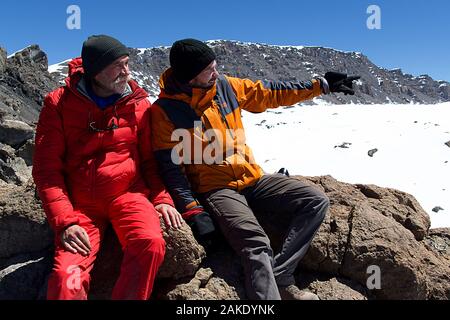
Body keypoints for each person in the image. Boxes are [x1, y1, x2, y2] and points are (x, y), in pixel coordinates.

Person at [151, 38, 360, 300]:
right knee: (256, 245)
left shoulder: (225, 86)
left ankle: (282, 276)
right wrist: (192, 209)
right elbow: (170, 167)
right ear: (190, 76)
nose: (215, 72)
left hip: (252, 178)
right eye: (208, 70)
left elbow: (269, 93)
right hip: (217, 189)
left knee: (315, 201)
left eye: (215, 66)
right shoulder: (166, 111)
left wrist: (321, 86)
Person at [32, 35, 182, 300]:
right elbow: (47, 171)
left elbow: (149, 161)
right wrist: (65, 222)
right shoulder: (59, 104)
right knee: (67, 278)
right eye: (117, 65)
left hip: (128, 195)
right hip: (81, 207)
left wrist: (162, 198)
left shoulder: (137, 104)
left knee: (150, 244)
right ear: (95, 71)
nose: (126, 71)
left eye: (127, 63)